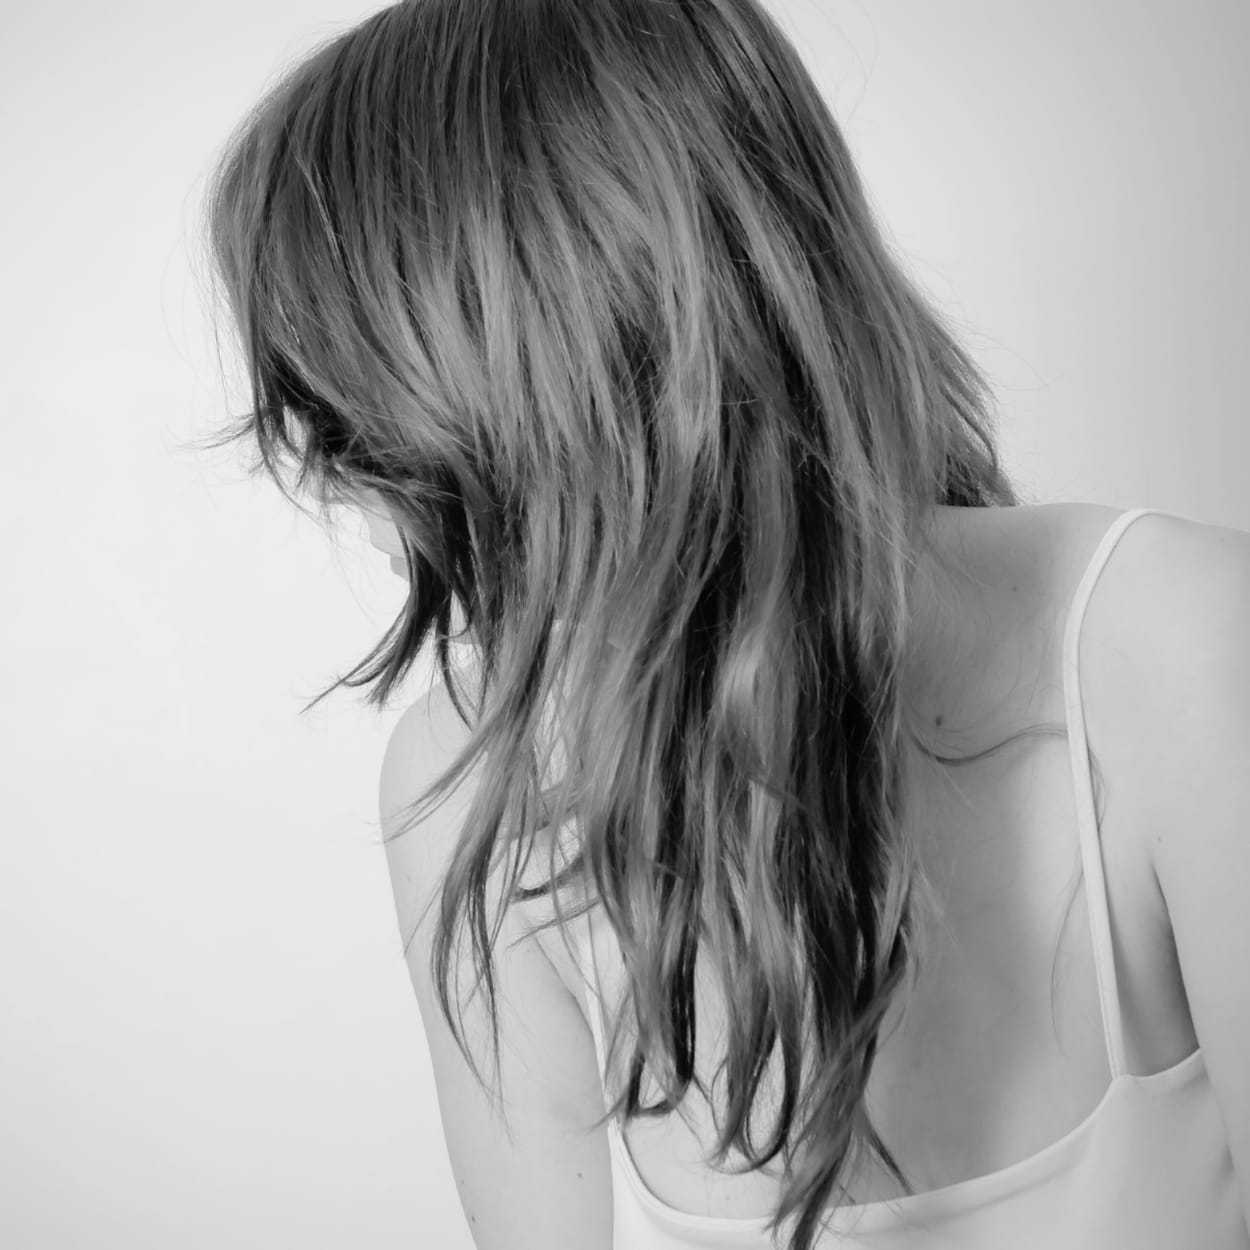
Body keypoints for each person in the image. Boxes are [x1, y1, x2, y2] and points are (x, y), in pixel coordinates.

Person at [199, 1, 1250, 1246]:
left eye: (350, 412)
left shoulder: (1172, 644)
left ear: (546, 377)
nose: (328, 482)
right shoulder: (467, 789)